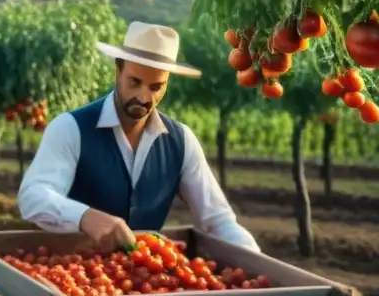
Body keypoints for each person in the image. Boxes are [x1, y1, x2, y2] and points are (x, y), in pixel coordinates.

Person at [18, 21, 260, 252]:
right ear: (118, 69)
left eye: (156, 87)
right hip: (76, 275)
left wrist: (260, 264)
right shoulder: (71, 128)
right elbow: (33, 196)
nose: (144, 98)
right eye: (135, 82)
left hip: (146, 281)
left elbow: (218, 221)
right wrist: (84, 217)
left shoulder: (181, 141)